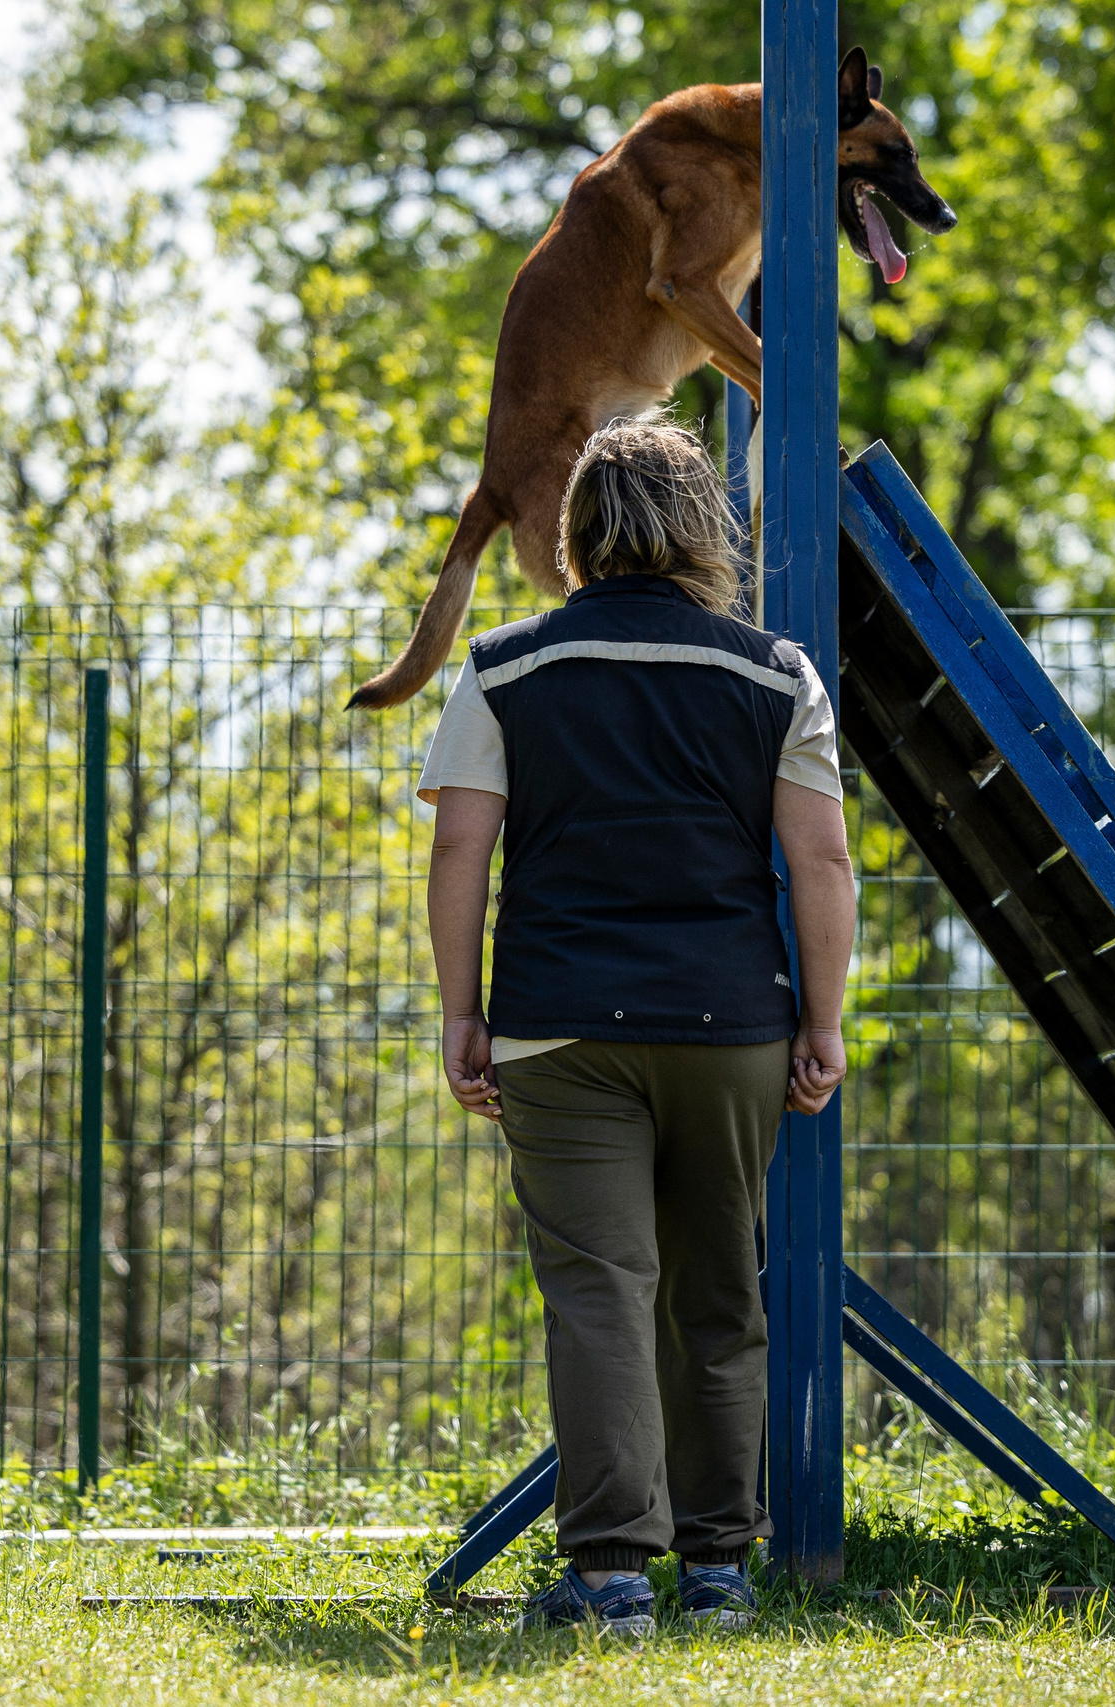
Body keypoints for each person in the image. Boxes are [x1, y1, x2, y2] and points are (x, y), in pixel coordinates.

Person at [418, 417, 856, 1636]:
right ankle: (718, 1570)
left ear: (574, 532)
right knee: (720, 1292)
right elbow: (818, 856)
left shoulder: (504, 667)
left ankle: (611, 1576)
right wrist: (820, 1019)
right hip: (730, 1022)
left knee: (601, 1293)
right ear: (703, 527)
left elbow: (462, 842)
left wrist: (464, 1013)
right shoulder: (776, 675)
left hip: (558, 1024)